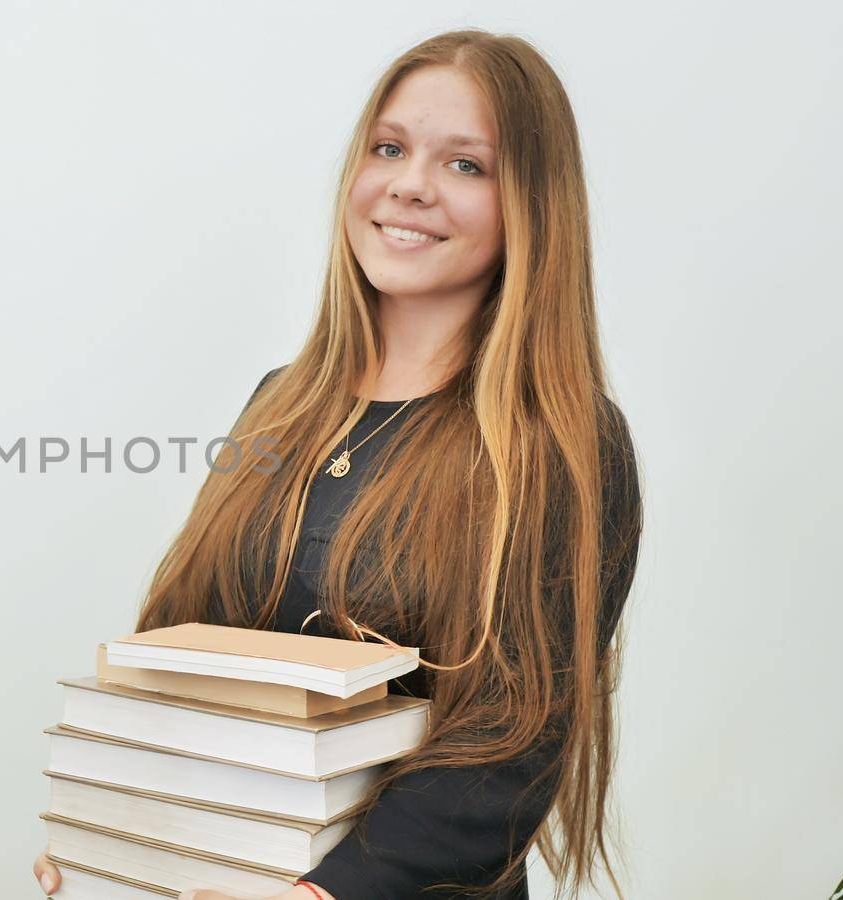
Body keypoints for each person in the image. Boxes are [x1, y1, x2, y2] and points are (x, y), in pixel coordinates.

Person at [32, 28, 645, 900]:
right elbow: (188, 653)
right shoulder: (279, 401)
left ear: (534, 207)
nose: (409, 184)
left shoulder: (561, 443)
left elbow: (509, 742)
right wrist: (116, 838)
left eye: (465, 165)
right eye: (389, 148)